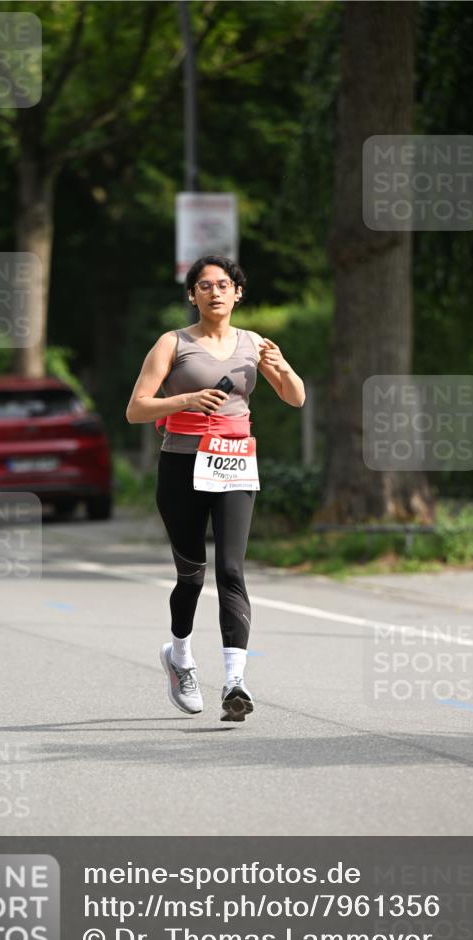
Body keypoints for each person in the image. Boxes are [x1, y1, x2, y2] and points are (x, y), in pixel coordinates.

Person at [126, 255, 305, 722]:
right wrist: (186, 399)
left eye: (224, 285)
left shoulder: (254, 344)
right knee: (191, 575)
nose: (215, 292)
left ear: (238, 293)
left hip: (235, 464)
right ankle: (180, 658)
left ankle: (234, 682)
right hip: (182, 465)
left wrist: (283, 366)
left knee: (231, 569)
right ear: (192, 295)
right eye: (204, 286)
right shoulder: (173, 343)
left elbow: (295, 397)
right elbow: (136, 409)